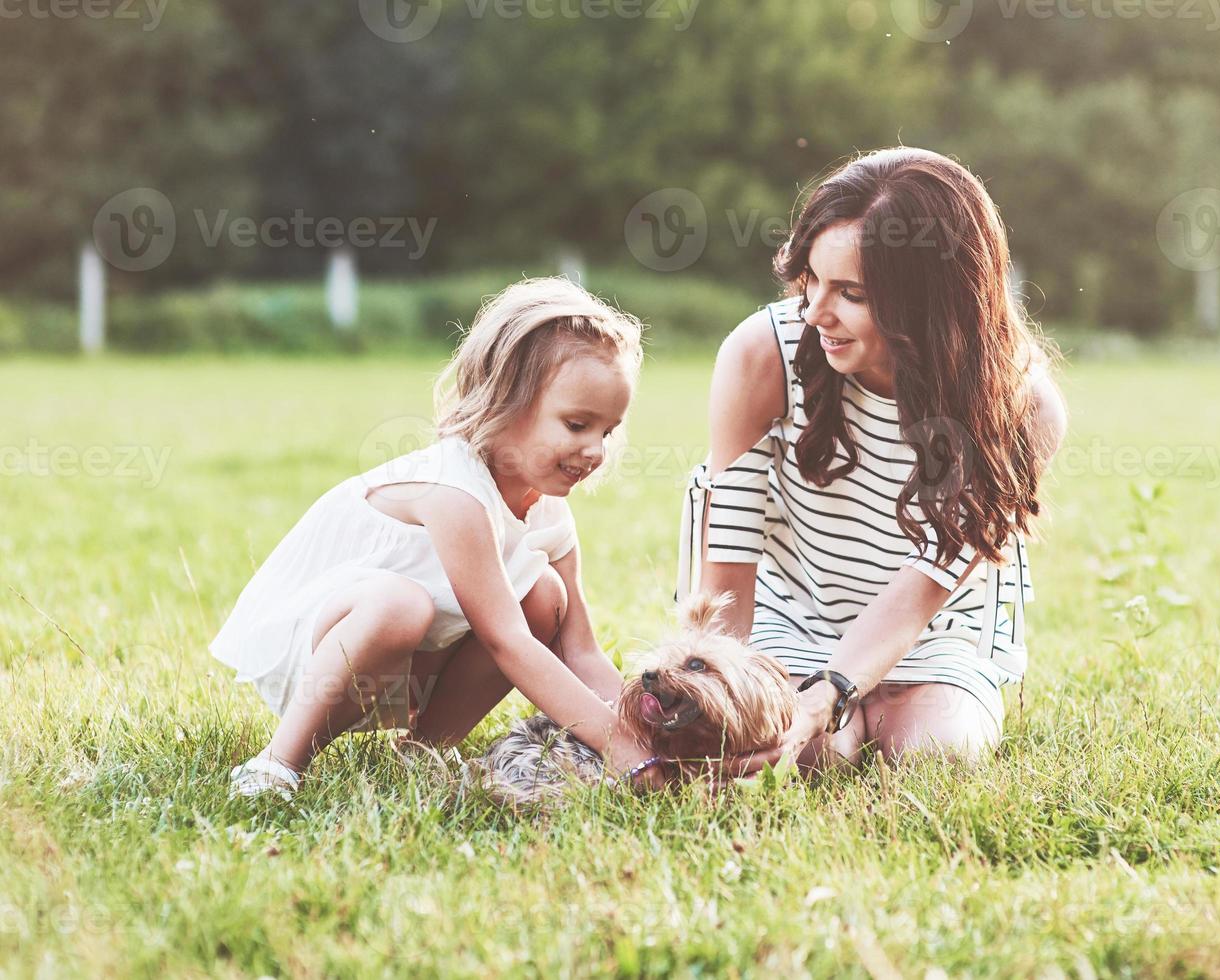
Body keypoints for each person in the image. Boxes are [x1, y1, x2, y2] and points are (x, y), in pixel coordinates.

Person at [678, 148, 1067, 772]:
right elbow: (729, 557)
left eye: (850, 293)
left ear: (929, 301)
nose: (815, 313)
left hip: (932, 639)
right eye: (810, 279)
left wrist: (830, 693)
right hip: (791, 620)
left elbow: (924, 589)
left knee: (934, 757)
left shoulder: (1022, 406)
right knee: (815, 755)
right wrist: (725, 694)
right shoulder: (762, 354)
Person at [211, 278, 653, 798]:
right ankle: (278, 762)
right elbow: (504, 641)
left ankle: (424, 751)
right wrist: (619, 751)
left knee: (545, 597)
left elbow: (579, 650)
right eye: (577, 424)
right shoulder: (455, 491)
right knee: (400, 604)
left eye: (606, 431)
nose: (594, 449)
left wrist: (645, 736)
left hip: (411, 663)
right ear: (506, 400)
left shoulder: (547, 510)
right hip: (323, 657)